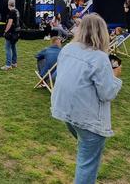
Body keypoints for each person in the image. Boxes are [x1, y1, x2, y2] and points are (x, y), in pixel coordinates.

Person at [51, 14, 122, 184]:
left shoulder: (68, 49)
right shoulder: (99, 58)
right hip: (86, 117)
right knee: (87, 163)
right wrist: (116, 77)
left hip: (66, 110)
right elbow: (107, 93)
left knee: (85, 153)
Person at [1, 0, 20, 70]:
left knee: (7, 48)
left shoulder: (11, 12)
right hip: (16, 32)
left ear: (8, 4)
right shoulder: (17, 11)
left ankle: (8, 65)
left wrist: (5, 31)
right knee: (13, 47)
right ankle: (14, 63)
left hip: (11, 33)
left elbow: (10, 23)